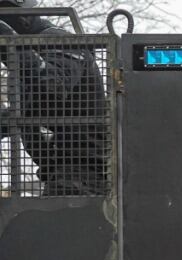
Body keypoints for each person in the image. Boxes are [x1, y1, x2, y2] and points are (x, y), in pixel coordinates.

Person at [0, 0, 109, 196]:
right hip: (62, 174)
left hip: (84, 174)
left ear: (22, 19)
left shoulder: (60, 41)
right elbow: (26, 115)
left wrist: (10, 45)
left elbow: (52, 86)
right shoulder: (22, 68)